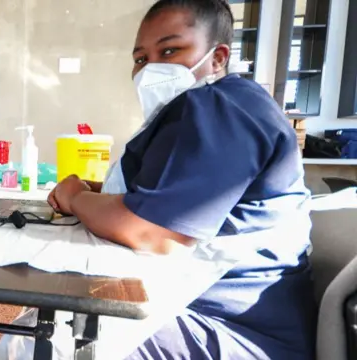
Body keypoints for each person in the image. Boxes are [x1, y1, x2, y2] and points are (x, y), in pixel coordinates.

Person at [47, 0, 316, 359]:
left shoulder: (220, 110)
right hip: (206, 310)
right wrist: (97, 193)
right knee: (61, 309)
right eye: (141, 58)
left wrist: (75, 196)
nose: (151, 68)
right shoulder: (207, 110)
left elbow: (153, 233)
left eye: (170, 50)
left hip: (236, 333)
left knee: (64, 330)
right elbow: (155, 195)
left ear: (218, 57)